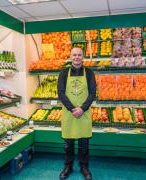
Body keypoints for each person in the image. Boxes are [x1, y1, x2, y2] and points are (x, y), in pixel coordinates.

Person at [58, 47, 96, 180]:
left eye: (79, 55)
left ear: (83, 57)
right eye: (74, 55)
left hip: (84, 113)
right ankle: (68, 167)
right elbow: (61, 93)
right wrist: (72, 108)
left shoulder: (90, 73)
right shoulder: (63, 73)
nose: (77, 57)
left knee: (84, 143)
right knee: (68, 144)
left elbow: (92, 93)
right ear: (70, 56)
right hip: (69, 114)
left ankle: (84, 167)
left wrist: (82, 108)